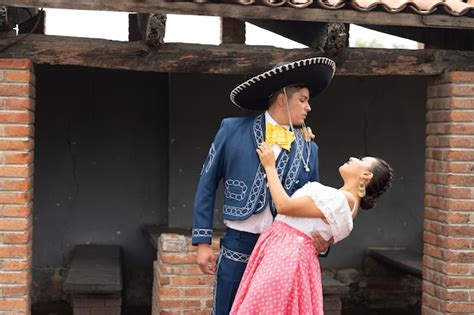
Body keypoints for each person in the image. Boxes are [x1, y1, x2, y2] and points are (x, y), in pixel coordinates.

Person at [192, 57, 336, 315]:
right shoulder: (232, 129)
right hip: (238, 244)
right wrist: (202, 243)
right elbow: (207, 183)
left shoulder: (309, 148)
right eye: (302, 99)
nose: (309, 107)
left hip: (282, 250)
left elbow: (314, 203)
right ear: (282, 99)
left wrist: (322, 242)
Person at [230, 143, 394, 314]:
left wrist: (270, 165)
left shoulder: (338, 199)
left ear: (366, 175)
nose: (352, 158)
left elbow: (284, 206)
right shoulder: (349, 206)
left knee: (263, 308)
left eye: (361, 160)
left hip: (286, 257)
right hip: (292, 256)